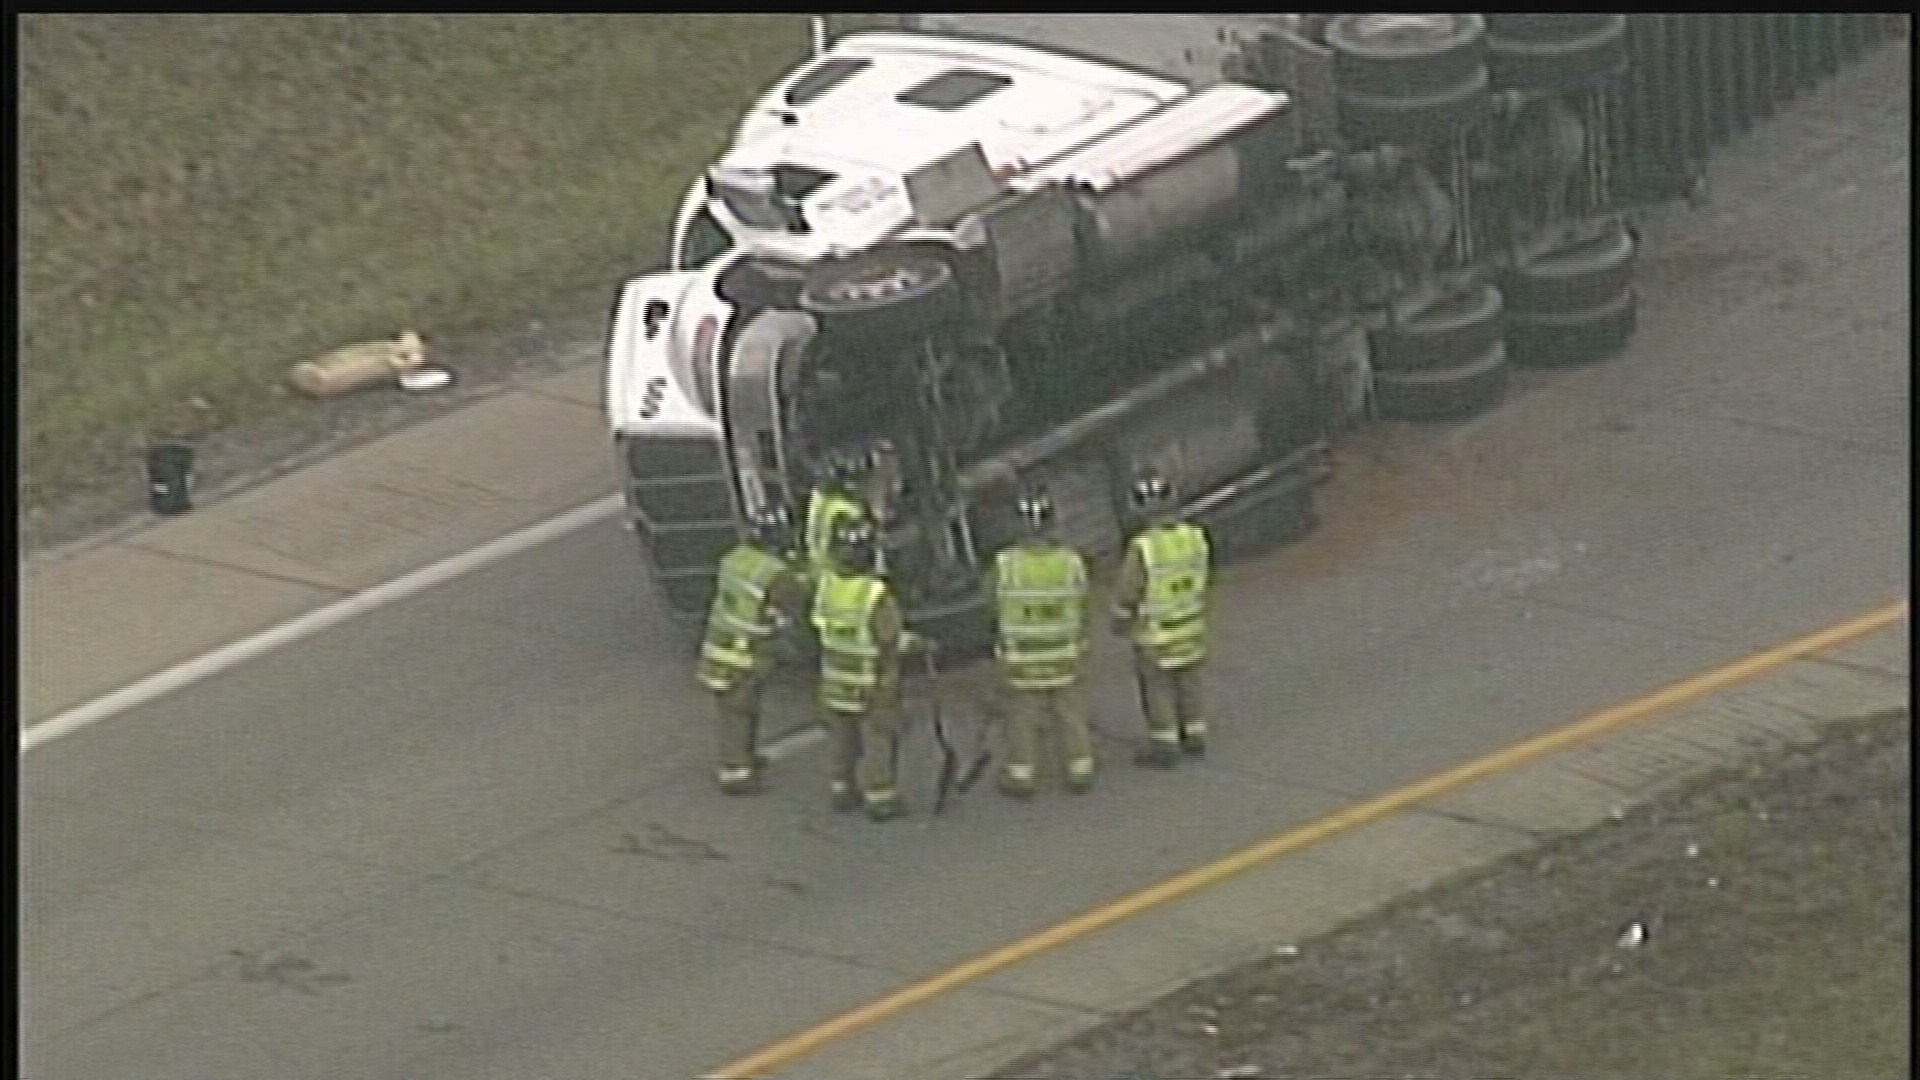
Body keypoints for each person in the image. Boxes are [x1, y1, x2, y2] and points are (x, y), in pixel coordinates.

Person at [695, 503, 808, 795]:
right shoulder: (775, 574)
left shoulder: (734, 559)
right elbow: (793, 604)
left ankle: (744, 757)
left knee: (737, 711)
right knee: (739, 713)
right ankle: (736, 773)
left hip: (719, 649)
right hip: (744, 656)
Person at [991, 487, 1096, 798]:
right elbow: (1084, 606)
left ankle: (1021, 775)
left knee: (1022, 716)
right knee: (1070, 712)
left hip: (1022, 660)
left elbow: (991, 607)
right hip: (1065, 654)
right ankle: (1080, 769)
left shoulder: (1004, 566)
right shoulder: (1072, 563)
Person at [1110, 467, 1213, 768]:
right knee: (1189, 681)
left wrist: (1119, 619)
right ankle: (1195, 733)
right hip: (1191, 626)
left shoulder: (1143, 548)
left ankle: (1165, 743)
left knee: (1158, 688)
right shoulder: (1195, 537)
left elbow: (1129, 589)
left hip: (1156, 632)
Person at [810, 515, 910, 821]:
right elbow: (889, 637)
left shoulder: (826, 585)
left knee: (842, 737)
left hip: (835, 679)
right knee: (881, 736)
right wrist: (918, 645)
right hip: (872, 681)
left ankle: (842, 788)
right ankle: (880, 797)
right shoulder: (874, 594)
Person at [803, 452, 872, 587]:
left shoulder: (819, 498)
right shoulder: (845, 505)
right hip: (838, 574)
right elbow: (855, 538)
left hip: (820, 569)